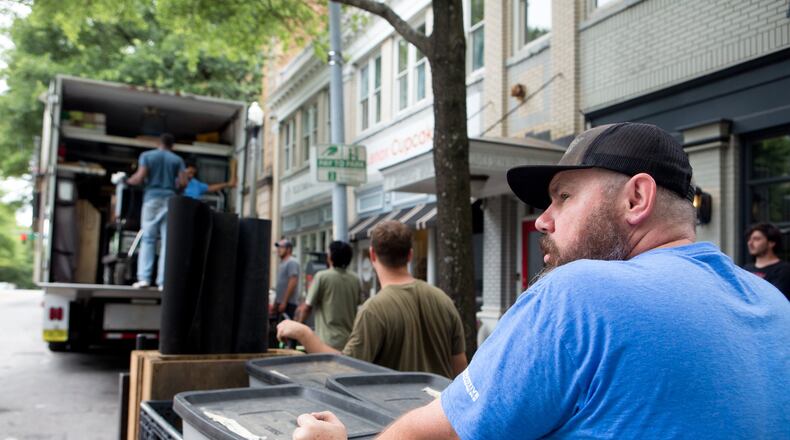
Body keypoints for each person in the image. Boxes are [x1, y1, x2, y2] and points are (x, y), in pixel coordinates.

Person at [291, 123, 790, 440]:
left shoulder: (580, 294)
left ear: (637, 198)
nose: (544, 221)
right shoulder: (774, 305)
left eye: (564, 196)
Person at [278, 220, 467, 379]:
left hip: (396, 419)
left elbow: (344, 369)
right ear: (410, 255)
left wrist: (304, 334)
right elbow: (460, 370)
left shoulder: (374, 310)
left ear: (372, 255)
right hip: (441, 418)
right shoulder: (444, 301)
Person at [124, 133, 185, 289]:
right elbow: (183, 182)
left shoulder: (147, 156)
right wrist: (175, 188)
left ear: (159, 143)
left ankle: (144, 279)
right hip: (170, 201)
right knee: (167, 241)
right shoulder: (177, 160)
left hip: (151, 199)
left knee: (148, 239)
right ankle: (163, 282)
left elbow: (139, 177)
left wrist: (125, 181)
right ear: (173, 145)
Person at [295, 241, 361, 350]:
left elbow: (307, 307)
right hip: (349, 342)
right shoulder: (355, 279)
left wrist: (298, 326)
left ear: (330, 257)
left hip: (326, 342)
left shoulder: (322, 277)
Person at [744, 222, 790, 300]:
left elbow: (774, 299)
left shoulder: (784, 269)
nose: (750, 243)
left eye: (756, 239)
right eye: (749, 239)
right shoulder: (746, 269)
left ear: (771, 243)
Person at [273, 239, 300, 319]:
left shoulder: (292, 262)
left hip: (289, 304)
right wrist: (276, 302)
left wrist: (284, 302)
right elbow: (280, 285)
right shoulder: (282, 263)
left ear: (288, 249)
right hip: (281, 303)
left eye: (281, 247)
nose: (278, 249)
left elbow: (293, 281)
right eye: (278, 247)